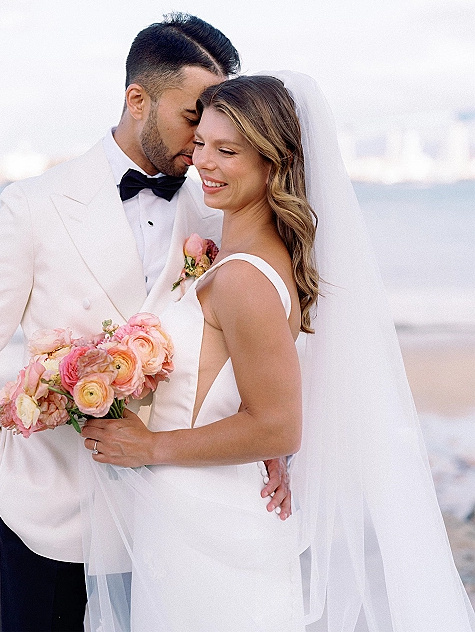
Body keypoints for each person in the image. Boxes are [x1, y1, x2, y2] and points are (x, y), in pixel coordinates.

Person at [81, 73, 475, 632]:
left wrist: (149, 445)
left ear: (273, 163)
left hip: (211, 524)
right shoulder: (236, 259)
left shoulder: (244, 278)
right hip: (191, 512)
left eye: (228, 150)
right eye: (201, 145)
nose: (204, 163)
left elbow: (278, 427)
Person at [0, 14, 291, 632]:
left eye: (216, 128)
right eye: (192, 118)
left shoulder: (213, 206)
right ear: (137, 100)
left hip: (175, 512)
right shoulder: (36, 205)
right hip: (53, 513)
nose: (203, 140)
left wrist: (257, 428)